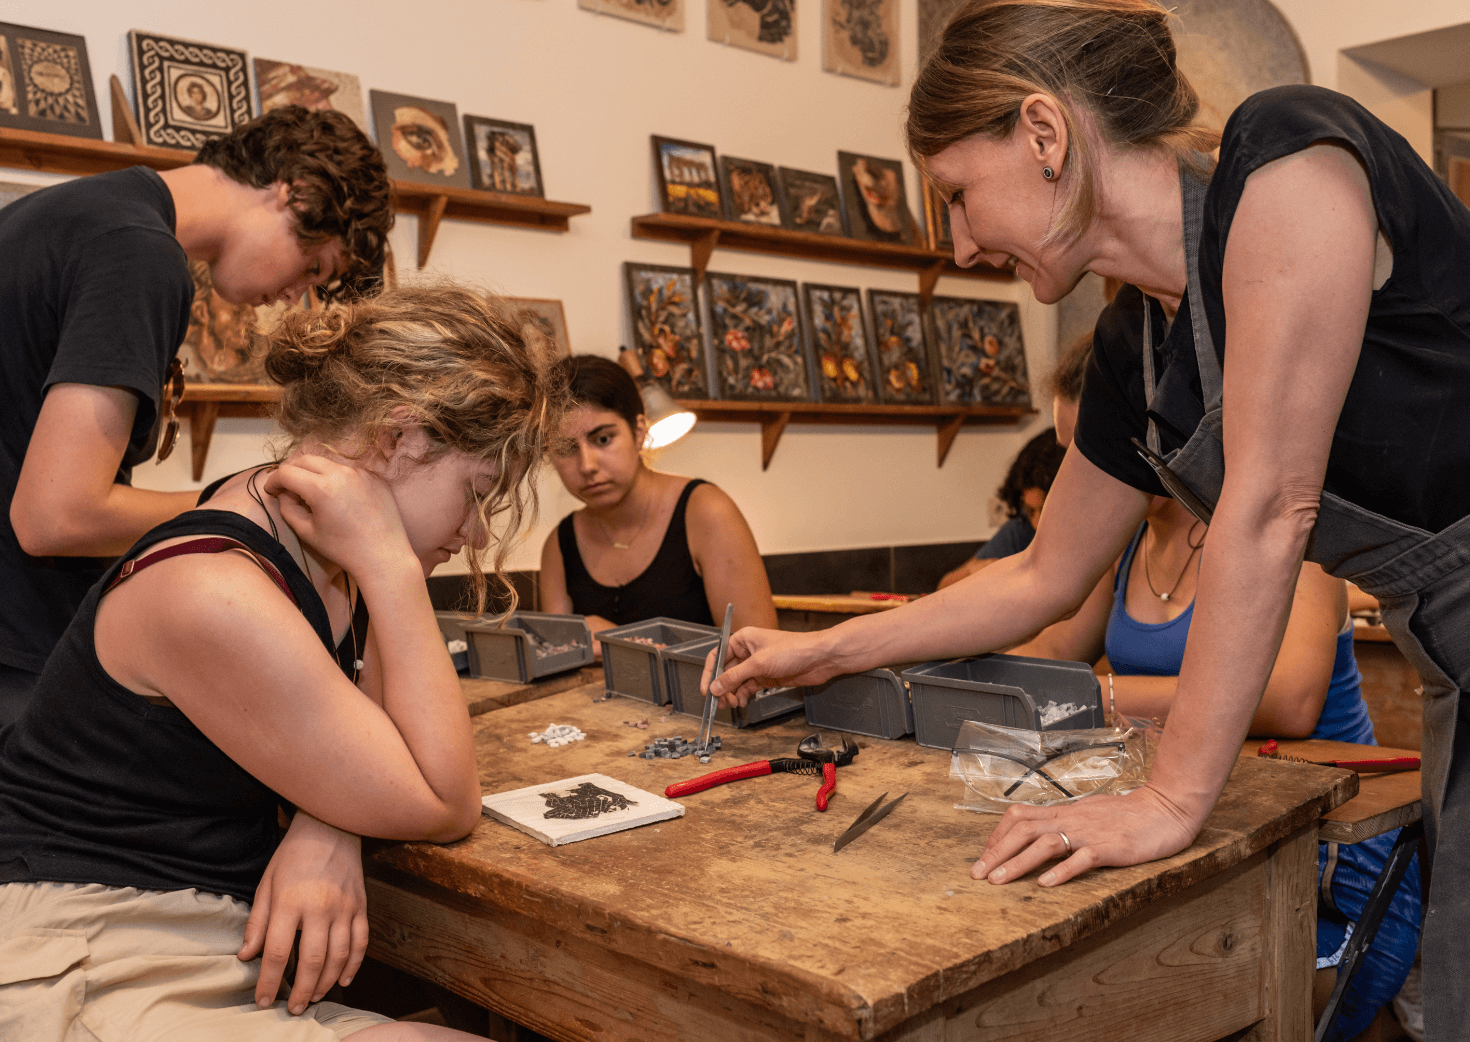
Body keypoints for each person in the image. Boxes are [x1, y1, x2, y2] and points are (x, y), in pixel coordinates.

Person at [706, 1, 1470, 1034]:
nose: (964, 245)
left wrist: (1167, 802)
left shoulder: (1286, 157)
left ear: (1045, 133)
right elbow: (1038, 578)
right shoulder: (1131, 349)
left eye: (961, 197)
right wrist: (824, 649)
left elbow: (1268, 507)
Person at [0, 284, 561, 1040]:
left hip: (197, 939)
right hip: (90, 950)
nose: (473, 531)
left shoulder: (314, 534)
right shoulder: (216, 588)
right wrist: (394, 569)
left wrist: (326, 822)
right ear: (405, 437)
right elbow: (441, 798)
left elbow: (370, 745)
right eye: (474, 493)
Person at [0, 105, 392, 724]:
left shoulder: (65, 215)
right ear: (294, 190)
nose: (295, 294)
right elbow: (55, 514)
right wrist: (253, 503)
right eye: (313, 266)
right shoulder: (139, 255)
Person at [1012, 487, 1420, 1042]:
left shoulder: (1289, 532)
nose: (1082, 470)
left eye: (1092, 443)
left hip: (1326, 862)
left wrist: (1096, 696)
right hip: (1205, 836)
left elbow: (1288, 700)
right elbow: (1053, 650)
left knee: (1157, 1000)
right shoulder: (1124, 544)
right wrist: (964, 671)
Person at [539, 355, 776, 646]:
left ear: (639, 433)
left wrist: (618, 641)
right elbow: (556, 658)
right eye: (565, 448)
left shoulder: (706, 512)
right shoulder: (560, 546)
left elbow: (760, 656)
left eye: (602, 440)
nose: (587, 465)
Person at [938, 431, 1067, 590]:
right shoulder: (1021, 530)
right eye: (1030, 511)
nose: (1037, 523)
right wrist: (981, 570)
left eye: (1046, 510)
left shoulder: (1094, 543)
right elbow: (944, 587)